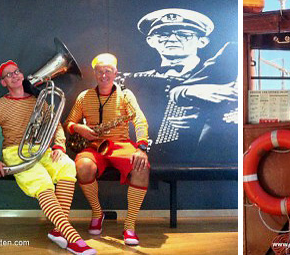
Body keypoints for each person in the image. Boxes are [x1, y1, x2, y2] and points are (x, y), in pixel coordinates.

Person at [0, 60, 96, 254]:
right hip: (16, 153)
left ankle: (59, 231)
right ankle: (72, 237)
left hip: (41, 149)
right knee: (42, 181)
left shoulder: (38, 99)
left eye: (16, 71)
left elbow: (55, 126)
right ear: (3, 82)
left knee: (67, 166)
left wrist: (59, 145)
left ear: (22, 74)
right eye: (9, 75)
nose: (14, 76)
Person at [65, 53, 151, 246]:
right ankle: (97, 212)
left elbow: (139, 119)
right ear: (95, 73)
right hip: (94, 146)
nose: (104, 75)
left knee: (142, 167)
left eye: (108, 71)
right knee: (83, 167)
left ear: (115, 73)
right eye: (100, 71)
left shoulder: (126, 95)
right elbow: (68, 122)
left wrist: (142, 147)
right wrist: (79, 128)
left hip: (120, 145)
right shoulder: (84, 96)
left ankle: (129, 226)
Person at [129, 8, 238, 159]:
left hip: (203, 161)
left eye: (184, 35)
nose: (172, 39)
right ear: (151, 41)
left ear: (202, 41)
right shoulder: (134, 80)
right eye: (163, 34)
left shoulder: (221, 75)